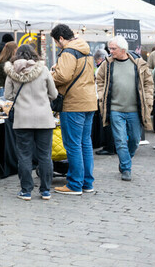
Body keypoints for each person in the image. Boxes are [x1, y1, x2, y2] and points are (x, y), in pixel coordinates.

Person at [4, 44, 58, 200]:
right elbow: (53, 94)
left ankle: (26, 190)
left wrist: (21, 98)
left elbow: (8, 95)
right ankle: (46, 190)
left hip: (23, 119)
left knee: (24, 155)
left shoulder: (12, 71)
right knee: (45, 155)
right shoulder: (44, 70)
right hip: (44, 119)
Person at [95, 36, 154, 181]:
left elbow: (148, 83)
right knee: (120, 140)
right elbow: (99, 79)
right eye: (110, 48)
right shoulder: (107, 64)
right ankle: (126, 168)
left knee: (134, 140)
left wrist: (148, 100)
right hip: (115, 109)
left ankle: (125, 160)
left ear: (123, 49)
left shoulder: (139, 64)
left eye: (113, 49)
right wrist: (102, 95)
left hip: (134, 109)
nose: (111, 51)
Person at [50, 24, 97, 196]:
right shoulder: (86, 50)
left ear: (60, 38)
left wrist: (52, 73)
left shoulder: (69, 52)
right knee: (85, 143)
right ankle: (87, 183)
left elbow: (63, 76)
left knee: (73, 145)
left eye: (56, 42)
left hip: (73, 103)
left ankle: (75, 184)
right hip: (88, 101)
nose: (57, 45)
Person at [92, 47, 115, 155]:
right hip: (109, 97)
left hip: (104, 97)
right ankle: (110, 145)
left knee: (107, 123)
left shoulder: (103, 66)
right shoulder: (111, 65)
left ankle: (109, 146)